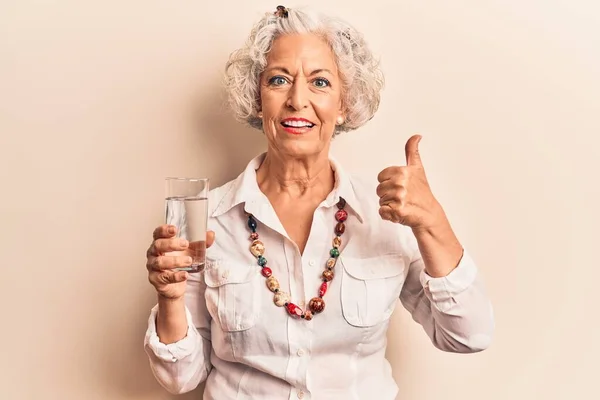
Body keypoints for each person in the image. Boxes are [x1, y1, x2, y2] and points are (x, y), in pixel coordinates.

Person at [143, 5, 494, 400]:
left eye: (320, 83)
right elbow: (179, 378)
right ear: (259, 100)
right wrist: (169, 296)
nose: (297, 100)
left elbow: (469, 335)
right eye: (278, 80)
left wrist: (432, 222)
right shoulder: (205, 215)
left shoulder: (388, 214)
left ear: (344, 104)